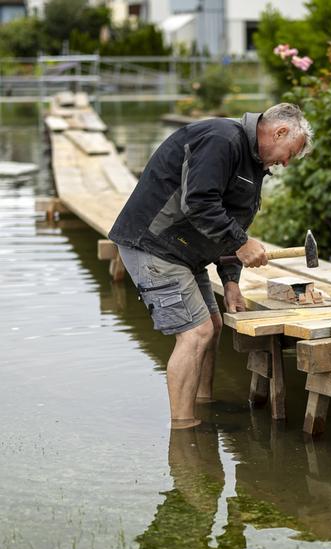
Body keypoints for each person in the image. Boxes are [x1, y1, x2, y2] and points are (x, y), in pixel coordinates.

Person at [108, 104, 313, 429]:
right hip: (154, 245)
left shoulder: (252, 161)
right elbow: (199, 203)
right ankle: (184, 429)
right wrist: (243, 245)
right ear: (280, 132)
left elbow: (232, 222)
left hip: (185, 252)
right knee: (195, 333)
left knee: (212, 326)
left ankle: (203, 406)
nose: (286, 162)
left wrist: (231, 281)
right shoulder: (222, 139)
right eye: (290, 153)